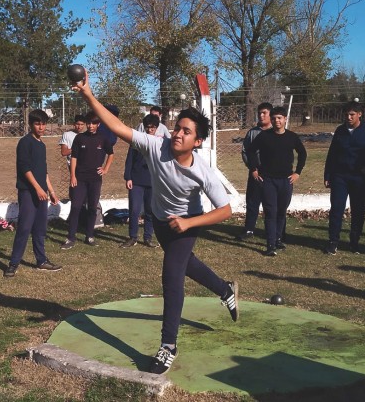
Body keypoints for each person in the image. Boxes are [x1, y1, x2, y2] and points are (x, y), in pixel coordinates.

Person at [72, 71, 238, 375]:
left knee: (171, 276)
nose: (177, 134)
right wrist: (87, 94)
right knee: (188, 266)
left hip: (186, 222)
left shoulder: (202, 172)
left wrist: (190, 225)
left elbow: (226, 209)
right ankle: (225, 290)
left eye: (186, 132)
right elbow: (117, 126)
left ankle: (168, 346)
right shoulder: (155, 145)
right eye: (177, 128)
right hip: (161, 221)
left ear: (197, 141)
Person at [3, 109, 61, 277]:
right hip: (29, 192)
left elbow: (44, 172)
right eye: (37, 124)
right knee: (25, 227)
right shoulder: (25, 142)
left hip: (42, 193)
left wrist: (51, 191)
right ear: (30, 124)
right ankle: (13, 264)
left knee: (40, 228)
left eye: (43, 124)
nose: (41, 127)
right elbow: (25, 169)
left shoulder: (41, 145)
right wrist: (37, 188)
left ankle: (41, 260)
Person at [246, 106, 307, 256]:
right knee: (270, 212)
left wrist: (297, 173)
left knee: (281, 211)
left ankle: (279, 239)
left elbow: (303, 153)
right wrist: (254, 169)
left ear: (285, 119)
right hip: (268, 180)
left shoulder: (292, 137)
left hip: (286, 181)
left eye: (279, 118)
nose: (276, 121)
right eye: (273, 118)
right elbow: (251, 150)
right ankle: (270, 245)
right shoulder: (264, 136)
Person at [324, 101, 365, 255]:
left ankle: (354, 242)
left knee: (358, 210)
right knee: (336, 208)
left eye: (352, 115)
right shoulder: (340, 130)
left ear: (359, 114)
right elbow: (332, 154)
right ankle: (333, 242)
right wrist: (327, 175)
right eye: (346, 114)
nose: (348, 117)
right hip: (340, 176)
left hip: (360, 178)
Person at [60, 111, 114, 249]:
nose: (90, 126)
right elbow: (74, 158)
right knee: (76, 207)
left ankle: (89, 236)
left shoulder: (103, 138)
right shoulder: (80, 138)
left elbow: (111, 154)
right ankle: (70, 238)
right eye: (89, 123)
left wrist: (105, 169)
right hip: (80, 179)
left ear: (98, 124)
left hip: (95, 179)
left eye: (93, 123)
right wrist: (73, 176)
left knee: (92, 208)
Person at [120, 114, 159, 248]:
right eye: (147, 127)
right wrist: (128, 177)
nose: (150, 130)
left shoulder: (160, 143)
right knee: (134, 210)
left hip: (153, 181)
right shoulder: (136, 141)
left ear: (157, 128)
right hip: (136, 180)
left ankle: (148, 237)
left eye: (153, 128)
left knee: (150, 211)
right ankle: (132, 237)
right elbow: (129, 160)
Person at [236, 102, 273, 241]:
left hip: (272, 175)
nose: (261, 115)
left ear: (271, 115)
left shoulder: (275, 132)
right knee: (252, 202)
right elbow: (245, 151)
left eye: (264, 113)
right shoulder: (252, 133)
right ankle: (249, 230)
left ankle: (273, 232)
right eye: (259, 113)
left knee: (271, 204)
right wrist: (252, 168)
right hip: (255, 173)